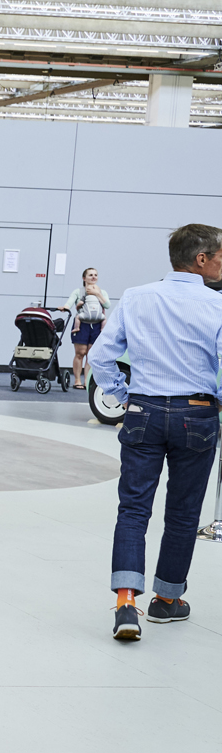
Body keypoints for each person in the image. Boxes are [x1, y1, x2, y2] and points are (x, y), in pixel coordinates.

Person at [89, 224, 222, 642]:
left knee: (133, 509)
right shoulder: (217, 305)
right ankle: (166, 600)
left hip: (143, 411)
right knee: (183, 512)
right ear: (201, 259)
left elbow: (101, 356)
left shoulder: (136, 297)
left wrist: (122, 395)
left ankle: (126, 604)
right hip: (197, 415)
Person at [57, 267, 110, 389]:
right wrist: (65, 307)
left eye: (95, 275)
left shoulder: (102, 292)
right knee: (80, 353)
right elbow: (70, 302)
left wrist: (97, 294)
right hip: (82, 324)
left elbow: (107, 305)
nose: (93, 277)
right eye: (90, 275)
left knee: (91, 355)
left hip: (96, 325)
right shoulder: (78, 291)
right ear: (84, 278)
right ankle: (77, 380)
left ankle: (87, 381)